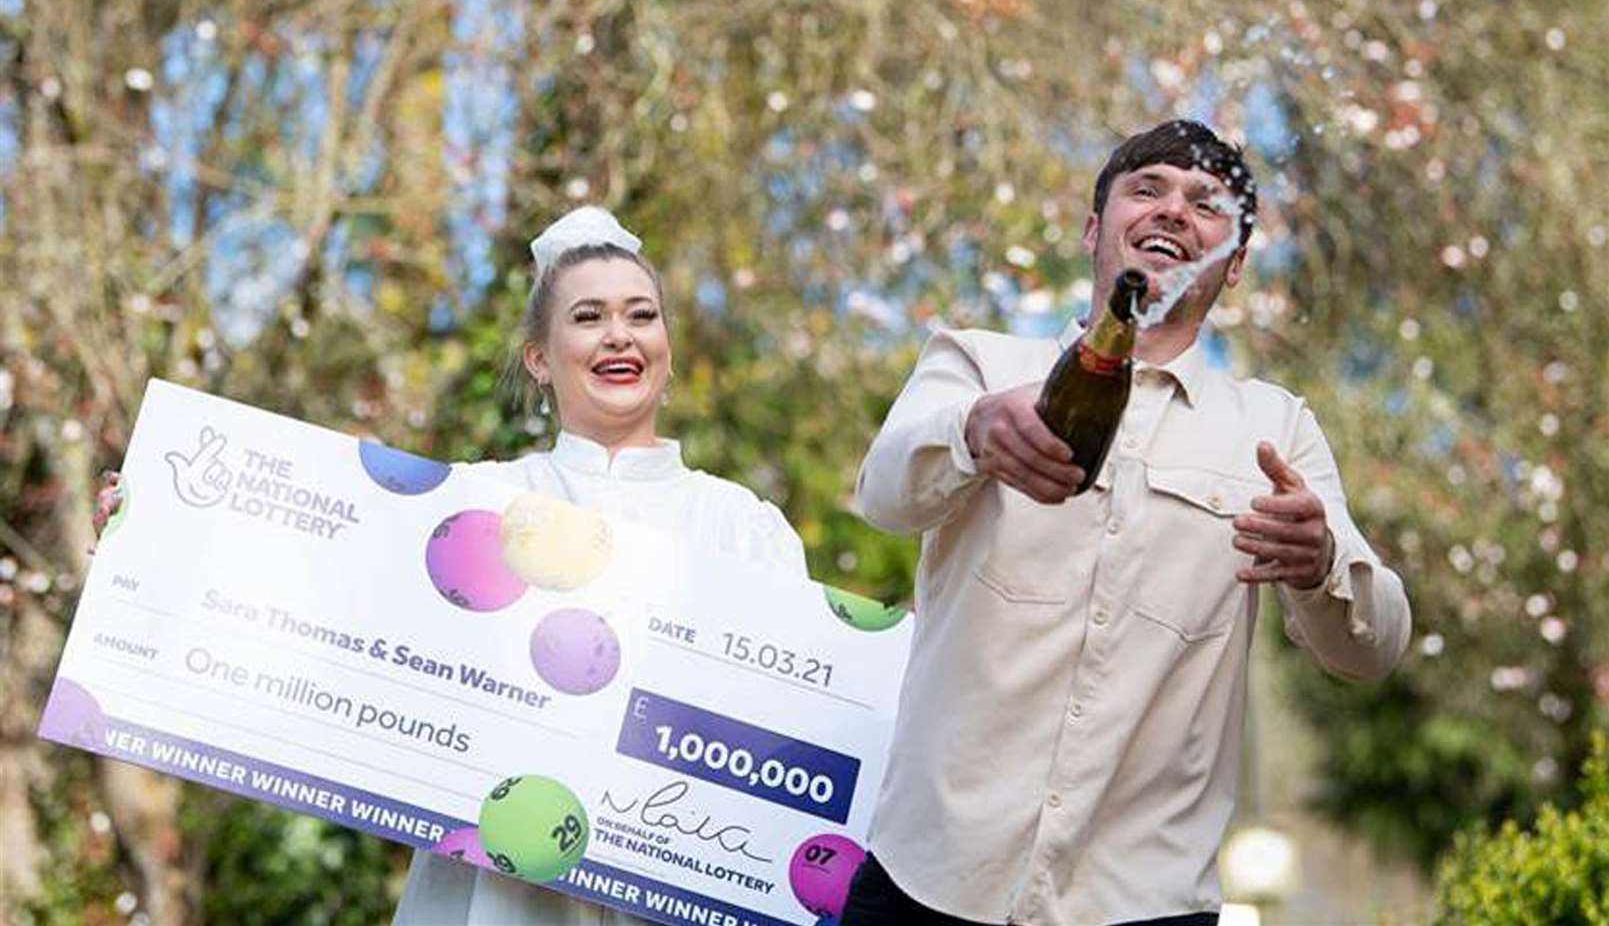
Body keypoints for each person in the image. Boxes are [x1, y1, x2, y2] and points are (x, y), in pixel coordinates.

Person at [94, 206, 807, 926]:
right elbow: (317, 612)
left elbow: (794, 724)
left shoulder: (742, 530)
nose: (618, 335)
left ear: (667, 346)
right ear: (538, 357)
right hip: (492, 902)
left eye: (641, 315)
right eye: (588, 317)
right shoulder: (471, 506)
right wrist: (152, 536)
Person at [843, 121, 1411, 926]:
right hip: (927, 882)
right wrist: (972, 431)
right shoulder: (979, 364)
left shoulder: (1275, 430)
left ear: (1235, 264)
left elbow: (1372, 650)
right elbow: (884, 494)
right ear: (1091, 228)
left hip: (1142, 903)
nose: (1173, 211)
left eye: (1207, 204)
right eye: (1146, 189)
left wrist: (1320, 560)